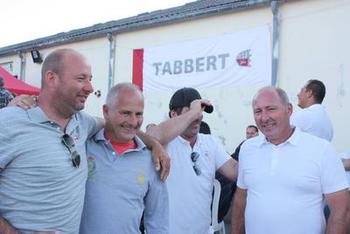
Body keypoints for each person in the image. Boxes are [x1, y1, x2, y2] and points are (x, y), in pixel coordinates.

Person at [0, 49, 169, 233]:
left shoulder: (82, 122)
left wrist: (153, 144)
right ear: (52, 78)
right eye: (81, 79)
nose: (90, 87)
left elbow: (118, 125)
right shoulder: (10, 122)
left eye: (90, 79)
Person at [231, 86, 350, 234]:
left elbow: (341, 212)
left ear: (289, 109)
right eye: (258, 111)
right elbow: (241, 200)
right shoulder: (248, 149)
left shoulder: (322, 150)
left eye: (271, 109)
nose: (264, 117)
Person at [80, 83, 168, 233]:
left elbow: (158, 221)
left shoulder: (152, 160)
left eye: (138, 114)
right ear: (106, 111)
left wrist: (154, 144)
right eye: (126, 113)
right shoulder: (84, 145)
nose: (133, 122)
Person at [147, 87, 238, 234]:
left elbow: (234, 171)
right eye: (192, 111)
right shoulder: (165, 142)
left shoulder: (210, 142)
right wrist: (193, 114)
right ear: (174, 114)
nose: (198, 117)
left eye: (200, 111)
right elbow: (152, 136)